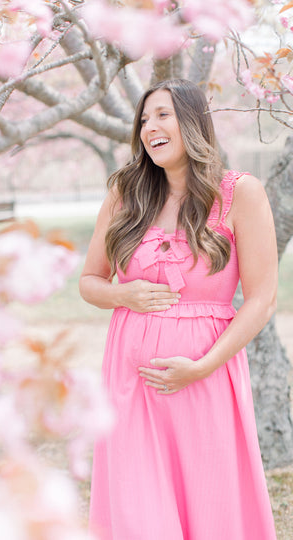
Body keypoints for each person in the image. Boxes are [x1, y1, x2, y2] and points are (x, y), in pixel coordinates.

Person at [79, 78, 277, 540]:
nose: (150, 128)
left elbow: (262, 300)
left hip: (203, 378)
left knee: (208, 501)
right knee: (139, 509)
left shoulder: (237, 193)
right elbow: (89, 282)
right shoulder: (126, 195)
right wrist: (123, 295)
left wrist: (203, 366)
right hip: (130, 386)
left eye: (163, 115)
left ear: (193, 121)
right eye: (144, 120)